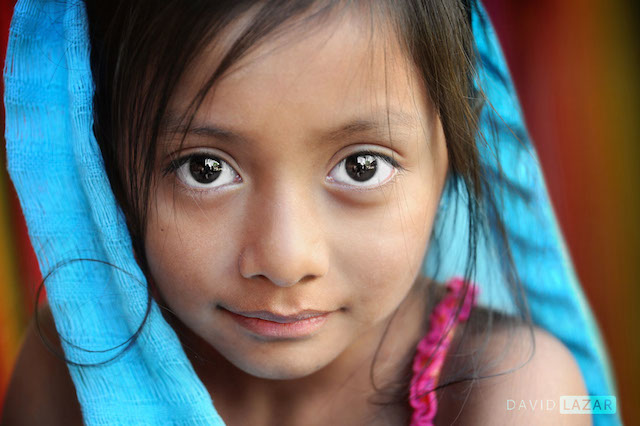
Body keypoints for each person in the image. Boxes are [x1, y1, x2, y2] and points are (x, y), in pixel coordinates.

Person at [2, 0, 598, 425]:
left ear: (457, 142)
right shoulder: (75, 365)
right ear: (98, 154)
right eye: (205, 169)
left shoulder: (513, 393)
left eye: (363, 166)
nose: (286, 261)